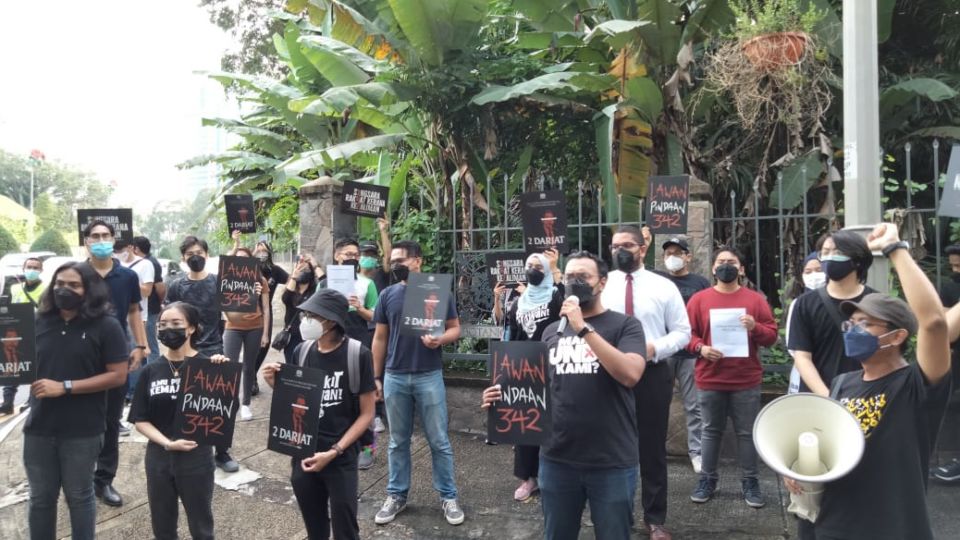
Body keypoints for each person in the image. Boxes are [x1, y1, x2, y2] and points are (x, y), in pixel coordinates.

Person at [785, 223, 952, 540]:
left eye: (865, 323)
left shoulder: (917, 386)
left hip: (891, 528)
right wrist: (796, 470)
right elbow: (823, 446)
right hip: (830, 525)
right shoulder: (842, 384)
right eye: (851, 321)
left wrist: (894, 248)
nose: (852, 329)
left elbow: (933, 323)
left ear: (897, 335)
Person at [481, 251, 647, 539]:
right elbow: (536, 387)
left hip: (611, 461)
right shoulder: (550, 332)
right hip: (557, 459)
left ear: (602, 283)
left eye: (583, 277)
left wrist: (583, 328)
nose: (574, 282)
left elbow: (630, 374)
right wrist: (501, 397)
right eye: (569, 277)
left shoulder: (625, 326)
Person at [22, 261, 128, 540]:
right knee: (40, 499)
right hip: (39, 426)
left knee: (80, 497)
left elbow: (118, 375)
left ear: (89, 289)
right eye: (59, 284)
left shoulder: (106, 326)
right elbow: (19, 362)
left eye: (73, 285)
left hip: (83, 429)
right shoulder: (37, 321)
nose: (63, 290)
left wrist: (65, 387)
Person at [261, 290, 376, 540]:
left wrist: (335, 451)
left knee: (345, 528)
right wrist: (275, 384)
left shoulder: (358, 354)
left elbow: (367, 414)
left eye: (313, 315)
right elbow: (296, 401)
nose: (306, 320)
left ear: (332, 320)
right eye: (305, 314)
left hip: (341, 456)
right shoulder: (301, 351)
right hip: (304, 453)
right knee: (315, 527)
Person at [599, 225, 690, 540]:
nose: (619, 250)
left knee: (651, 448)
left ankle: (655, 519)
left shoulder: (663, 286)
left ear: (642, 248)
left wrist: (654, 347)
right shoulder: (603, 283)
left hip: (651, 373)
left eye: (626, 244)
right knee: (609, 445)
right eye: (614, 246)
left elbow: (682, 332)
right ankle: (614, 513)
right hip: (607, 373)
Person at [371, 240, 464, 527]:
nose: (396, 264)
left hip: (428, 374)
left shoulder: (436, 291)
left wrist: (441, 339)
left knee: (439, 440)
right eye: (393, 259)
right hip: (395, 375)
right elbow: (380, 338)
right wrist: (375, 376)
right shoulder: (387, 295)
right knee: (397, 441)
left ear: (418, 261)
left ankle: (448, 496)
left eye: (402, 259)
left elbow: (455, 328)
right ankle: (396, 495)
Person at [685, 247, 778, 507]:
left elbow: (771, 336)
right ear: (713, 268)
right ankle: (707, 479)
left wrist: (755, 327)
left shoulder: (755, 300)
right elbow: (687, 334)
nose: (726, 265)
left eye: (732, 262)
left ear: (742, 269)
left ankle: (751, 482)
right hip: (710, 377)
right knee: (710, 431)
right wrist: (700, 348)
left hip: (745, 379)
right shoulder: (699, 300)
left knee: (747, 433)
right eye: (721, 262)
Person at [128, 302, 225, 540]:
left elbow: (221, 413)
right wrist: (167, 443)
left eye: (175, 324)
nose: (167, 329)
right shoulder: (151, 371)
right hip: (159, 458)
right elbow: (140, 419)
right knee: (162, 525)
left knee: (201, 525)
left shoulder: (209, 367)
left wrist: (223, 371)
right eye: (162, 325)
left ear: (191, 328)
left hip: (196, 457)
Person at [83, 220, 148, 507]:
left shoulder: (127, 277)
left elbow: (134, 312)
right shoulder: (76, 274)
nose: (100, 240)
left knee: (111, 420)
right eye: (95, 236)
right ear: (86, 241)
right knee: (82, 420)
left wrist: (141, 346)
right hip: (81, 356)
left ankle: (104, 480)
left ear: (113, 239)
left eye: (105, 235)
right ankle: (80, 476)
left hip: (117, 355)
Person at [490, 249, 563, 501]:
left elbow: (568, 312)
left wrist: (554, 269)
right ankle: (528, 478)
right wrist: (505, 369)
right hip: (524, 369)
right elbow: (511, 332)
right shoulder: (519, 301)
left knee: (553, 425)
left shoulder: (556, 295)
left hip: (553, 366)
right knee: (526, 425)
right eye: (529, 265)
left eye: (538, 266)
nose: (533, 270)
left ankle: (550, 476)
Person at [165, 235, 239, 473]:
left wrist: (250, 296)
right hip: (186, 352)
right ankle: (191, 443)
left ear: (207, 255)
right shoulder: (176, 285)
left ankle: (222, 451)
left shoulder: (218, 282)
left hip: (215, 349)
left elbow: (234, 315)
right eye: (189, 254)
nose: (195, 257)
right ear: (183, 258)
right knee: (188, 402)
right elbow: (169, 319)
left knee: (225, 402)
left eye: (199, 252)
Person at [788, 230, 876, 396]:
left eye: (838, 252)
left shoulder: (876, 303)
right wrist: (828, 397)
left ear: (858, 260)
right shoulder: (805, 304)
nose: (829, 257)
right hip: (819, 400)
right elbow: (802, 357)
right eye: (825, 252)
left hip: (866, 396)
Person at [654, 236, 711, 473]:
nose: (672, 258)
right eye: (668, 253)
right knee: (656, 404)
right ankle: (653, 451)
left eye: (678, 253)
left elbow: (708, 315)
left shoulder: (701, 283)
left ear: (688, 256)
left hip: (691, 353)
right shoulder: (657, 280)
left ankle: (696, 452)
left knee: (694, 406)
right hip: (663, 351)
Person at [222, 242, 271, 422]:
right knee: (230, 366)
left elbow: (266, 309)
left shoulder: (260, 280)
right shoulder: (227, 280)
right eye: (237, 257)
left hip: (255, 327)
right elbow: (223, 306)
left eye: (245, 258)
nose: (241, 260)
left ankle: (246, 404)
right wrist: (235, 244)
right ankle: (231, 401)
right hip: (232, 328)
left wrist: (265, 334)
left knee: (249, 367)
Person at [2, 257, 45, 414]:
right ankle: (7, 403)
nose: (32, 270)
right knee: (11, 365)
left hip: (37, 333)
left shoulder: (46, 289)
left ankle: (31, 400)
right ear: (23, 268)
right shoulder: (14, 288)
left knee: (35, 368)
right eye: (29, 267)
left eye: (35, 267)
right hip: (16, 333)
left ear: (41, 270)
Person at [114, 238, 156, 402]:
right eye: (115, 250)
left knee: (136, 356)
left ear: (131, 248)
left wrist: (127, 281)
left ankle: (135, 392)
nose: (118, 253)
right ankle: (125, 391)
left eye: (120, 249)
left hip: (138, 316)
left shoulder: (145, 265)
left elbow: (147, 291)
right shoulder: (115, 263)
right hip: (116, 317)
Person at [251, 239, 288, 395]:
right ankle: (251, 378)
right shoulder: (248, 269)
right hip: (248, 312)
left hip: (266, 311)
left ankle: (251, 373)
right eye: (258, 250)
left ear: (269, 253)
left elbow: (291, 280)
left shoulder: (275, 270)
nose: (261, 253)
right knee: (251, 345)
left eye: (264, 250)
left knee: (264, 345)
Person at [786, 252, 825, 394]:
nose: (814, 275)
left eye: (819, 270)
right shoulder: (799, 304)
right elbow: (793, 345)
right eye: (808, 271)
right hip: (805, 372)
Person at [132, 236, 166, 366]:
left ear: (136, 248)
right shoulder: (148, 261)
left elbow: (160, 287)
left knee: (149, 345)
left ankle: (153, 373)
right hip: (143, 310)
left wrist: (159, 302)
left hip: (150, 310)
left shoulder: (149, 263)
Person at [281, 255, 319, 363]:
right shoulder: (292, 290)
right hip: (292, 336)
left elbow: (325, 284)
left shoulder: (316, 290)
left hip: (311, 337)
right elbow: (286, 299)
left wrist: (315, 266)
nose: (304, 271)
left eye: (306, 269)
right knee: (292, 367)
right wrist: (293, 277)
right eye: (301, 269)